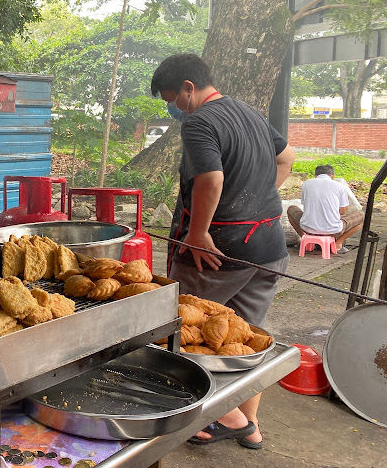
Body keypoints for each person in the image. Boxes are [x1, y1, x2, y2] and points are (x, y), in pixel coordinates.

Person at [151, 53, 295, 450]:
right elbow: (286, 158)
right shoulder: (247, 111)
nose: (173, 107)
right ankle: (251, 425)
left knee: (178, 331)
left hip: (217, 253)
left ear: (188, 88)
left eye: (171, 98)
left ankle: (228, 419)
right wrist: (257, 200)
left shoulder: (199, 121)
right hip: (268, 245)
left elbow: (211, 178)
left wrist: (198, 231)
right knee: (245, 338)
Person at [287, 165, 364, 253]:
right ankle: (338, 243)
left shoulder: (306, 184)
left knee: (291, 209)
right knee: (361, 216)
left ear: (315, 176)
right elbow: (342, 211)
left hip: (307, 228)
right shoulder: (340, 186)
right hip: (333, 230)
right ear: (332, 176)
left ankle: (305, 238)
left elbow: (305, 204)